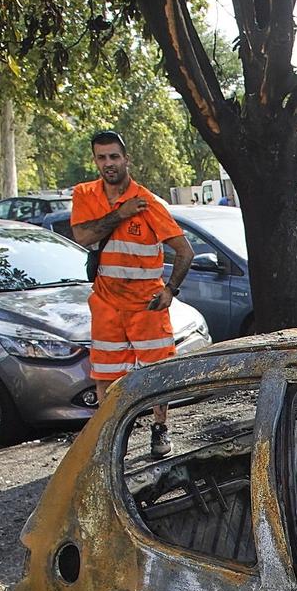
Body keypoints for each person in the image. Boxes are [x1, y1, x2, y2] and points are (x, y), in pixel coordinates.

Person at [70, 130, 193, 454]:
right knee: (106, 375)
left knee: (158, 374)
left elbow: (185, 251)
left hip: (145, 304)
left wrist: (170, 290)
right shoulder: (86, 194)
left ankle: (160, 428)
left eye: (114, 157)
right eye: (101, 157)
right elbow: (83, 236)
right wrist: (120, 215)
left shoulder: (148, 202)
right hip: (107, 303)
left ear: (126, 159)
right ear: (95, 160)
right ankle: (111, 436)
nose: (108, 163)